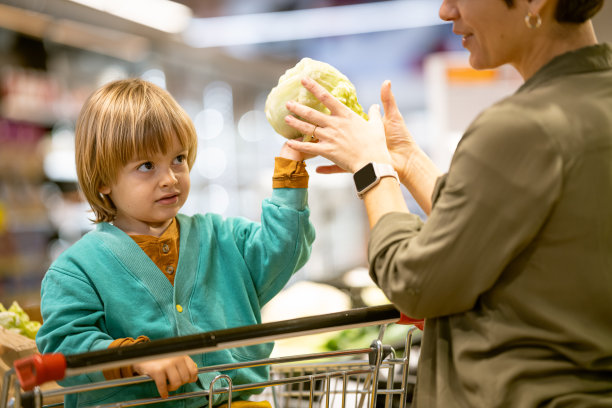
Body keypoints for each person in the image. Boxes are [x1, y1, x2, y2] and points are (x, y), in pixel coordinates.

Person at [283, 0, 612, 406]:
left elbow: (412, 282)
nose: (445, 11)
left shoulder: (521, 125)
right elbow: (496, 225)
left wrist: (372, 171)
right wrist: (405, 161)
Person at [35, 78, 315, 408]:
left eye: (178, 159)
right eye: (146, 166)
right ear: (103, 180)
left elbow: (285, 250)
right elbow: (64, 345)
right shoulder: (75, 271)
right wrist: (136, 357)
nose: (169, 178)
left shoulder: (224, 238)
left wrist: (291, 168)